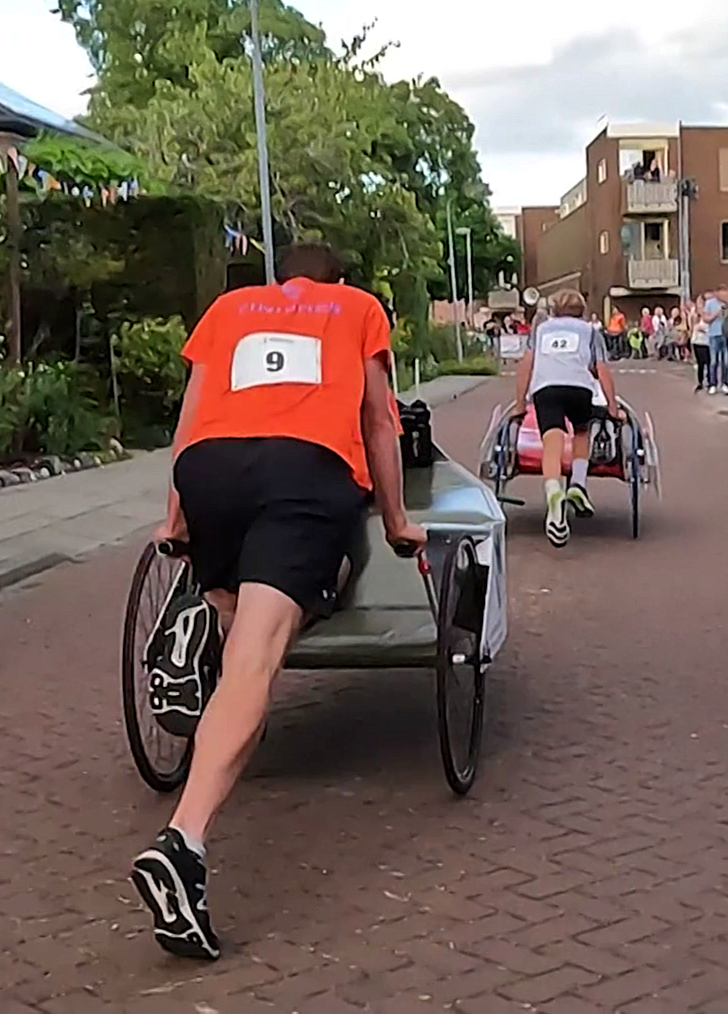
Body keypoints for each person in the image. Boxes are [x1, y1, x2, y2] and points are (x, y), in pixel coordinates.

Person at [133, 243, 426, 960]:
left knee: (238, 618)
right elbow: (379, 420)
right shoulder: (358, 309)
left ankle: (203, 614)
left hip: (210, 472)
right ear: (339, 279)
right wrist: (394, 521)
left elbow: (191, 415)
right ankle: (185, 842)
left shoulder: (229, 309)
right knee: (258, 660)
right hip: (305, 469)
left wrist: (175, 518)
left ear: (281, 278)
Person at [511, 289, 625, 547]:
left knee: (552, 439)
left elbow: (526, 365)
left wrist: (520, 404)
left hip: (546, 389)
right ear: (582, 311)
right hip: (578, 388)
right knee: (582, 431)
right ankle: (577, 484)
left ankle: (553, 491)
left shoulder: (541, 330)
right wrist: (613, 407)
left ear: (553, 310)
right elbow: (602, 370)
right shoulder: (589, 331)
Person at [703, 288, 728, 392]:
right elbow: (706, 319)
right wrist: (716, 313)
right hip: (714, 334)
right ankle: (712, 384)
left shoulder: (727, 303)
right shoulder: (709, 303)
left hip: (725, 334)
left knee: (725, 361)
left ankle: (724, 383)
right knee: (714, 361)